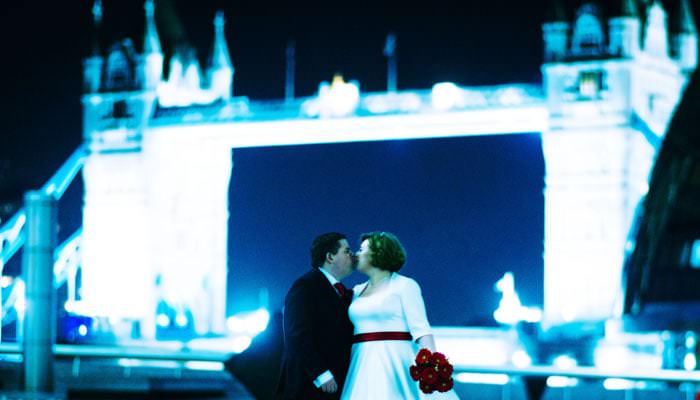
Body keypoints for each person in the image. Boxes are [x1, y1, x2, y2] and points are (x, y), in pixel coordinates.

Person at [340, 231, 459, 399]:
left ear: (378, 253)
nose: (356, 254)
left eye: (361, 249)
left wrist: (433, 369)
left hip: (395, 362)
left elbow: (421, 330)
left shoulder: (405, 286)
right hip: (360, 361)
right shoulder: (357, 291)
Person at [276, 232, 356, 400]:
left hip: (333, 386)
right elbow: (297, 334)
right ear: (330, 257)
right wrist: (321, 374)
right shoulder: (306, 286)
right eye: (347, 251)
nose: (352, 255)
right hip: (309, 386)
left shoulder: (342, 292)